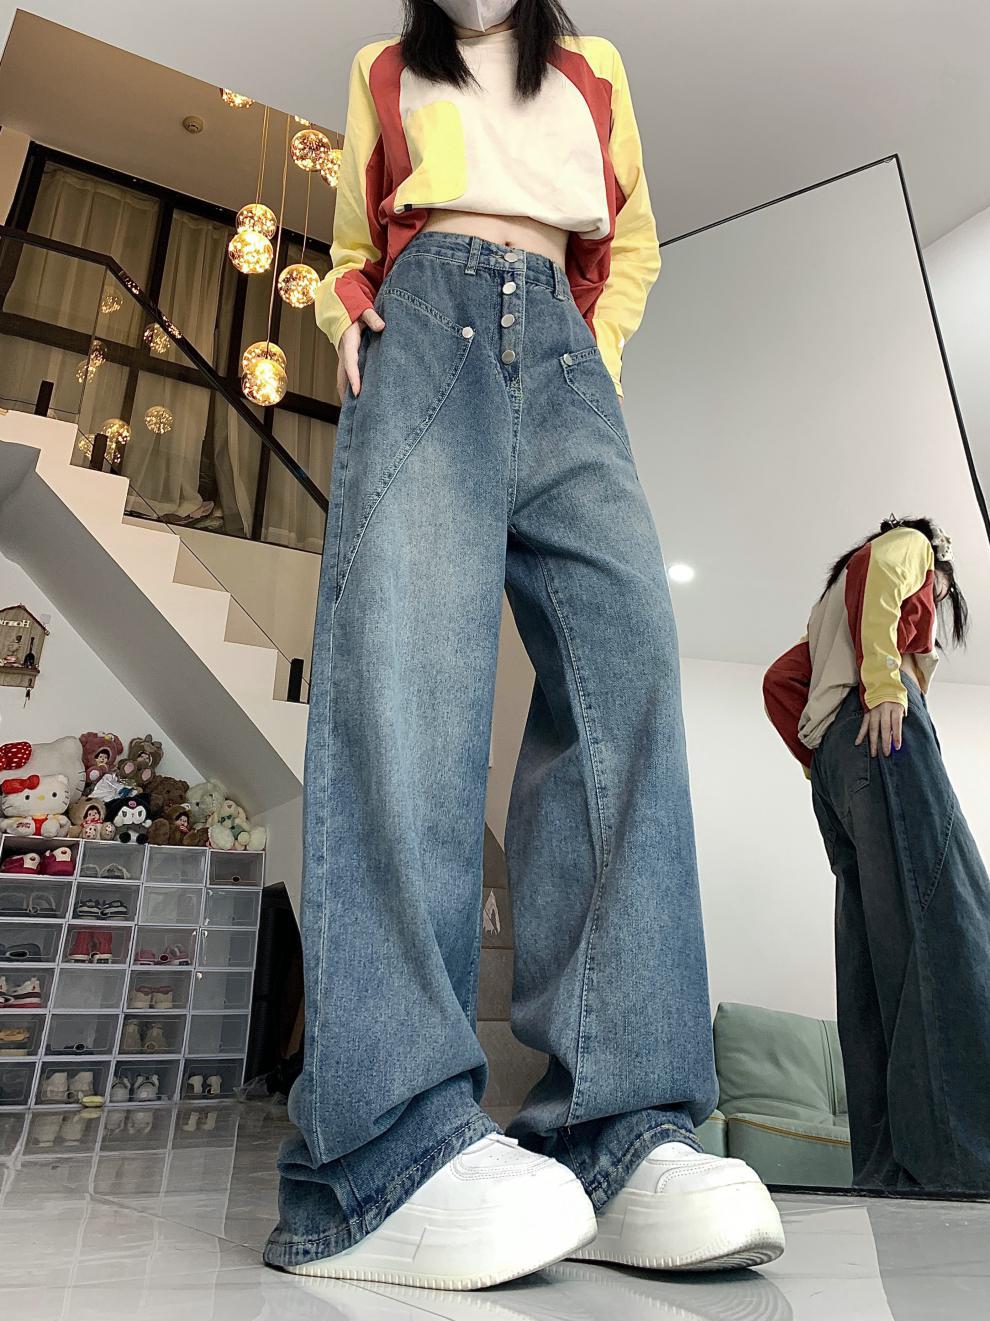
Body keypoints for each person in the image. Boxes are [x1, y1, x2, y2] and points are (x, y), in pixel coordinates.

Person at [265, 0, 784, 1287]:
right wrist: (343, 307)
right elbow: (350, 245)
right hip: (423, 331)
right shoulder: (385, 70)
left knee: (627, 675)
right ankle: (383, 1152)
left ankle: (623, 1128)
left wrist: (586, 355)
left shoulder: (594, 71)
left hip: (565, 353)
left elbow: (634, 239)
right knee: (408, 686)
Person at [764, 516, 990, 1193]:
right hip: (883, 735)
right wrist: (888, 687)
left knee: (871, 965)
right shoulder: (912, 546)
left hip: (839, 766)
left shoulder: (826, 615)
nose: (936, 597)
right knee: (950, 923)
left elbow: (780, 681)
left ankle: (888, 1171)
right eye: (939, 591)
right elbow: (882, 571)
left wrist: (825, 764)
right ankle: (969, 1162)